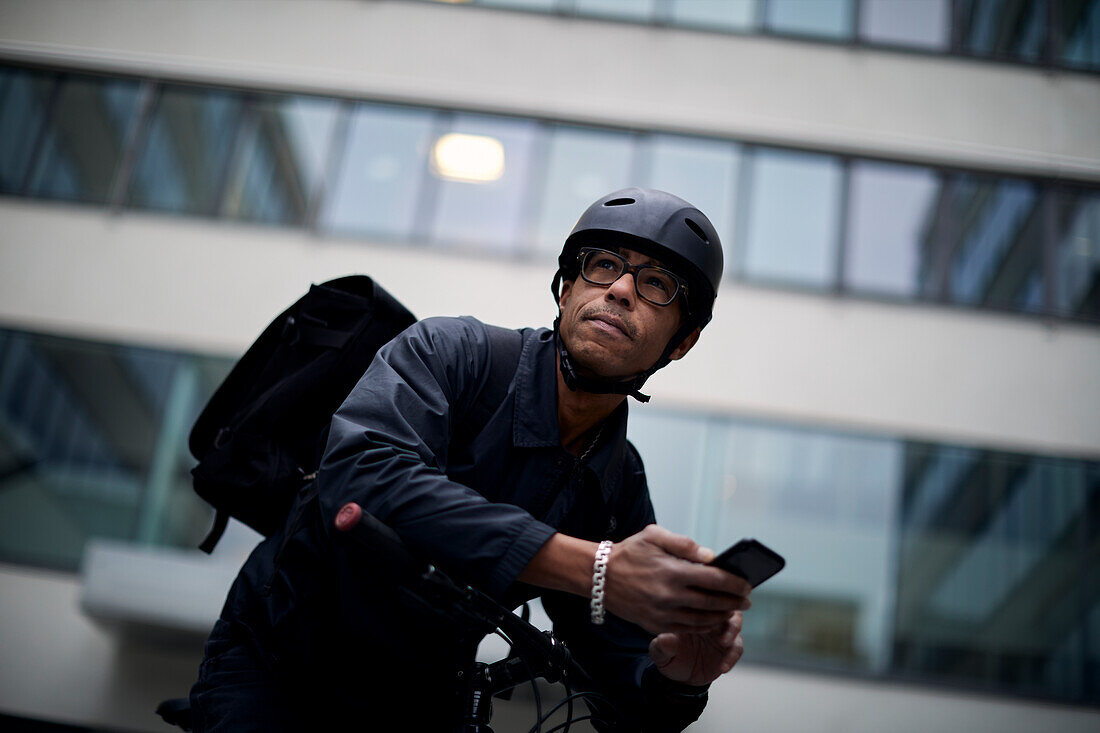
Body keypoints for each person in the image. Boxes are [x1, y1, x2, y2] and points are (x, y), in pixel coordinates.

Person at [188, 188, 753, 732]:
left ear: (681, 342)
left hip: (420, 698)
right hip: (279, 661)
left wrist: (679, 680)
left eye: (657, 284)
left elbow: (618, 670)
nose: (622, 290)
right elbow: (365, 471)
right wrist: (596, 568)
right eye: (604, 265)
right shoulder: (453, 353)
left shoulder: (617, 481)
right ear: (565, 291)